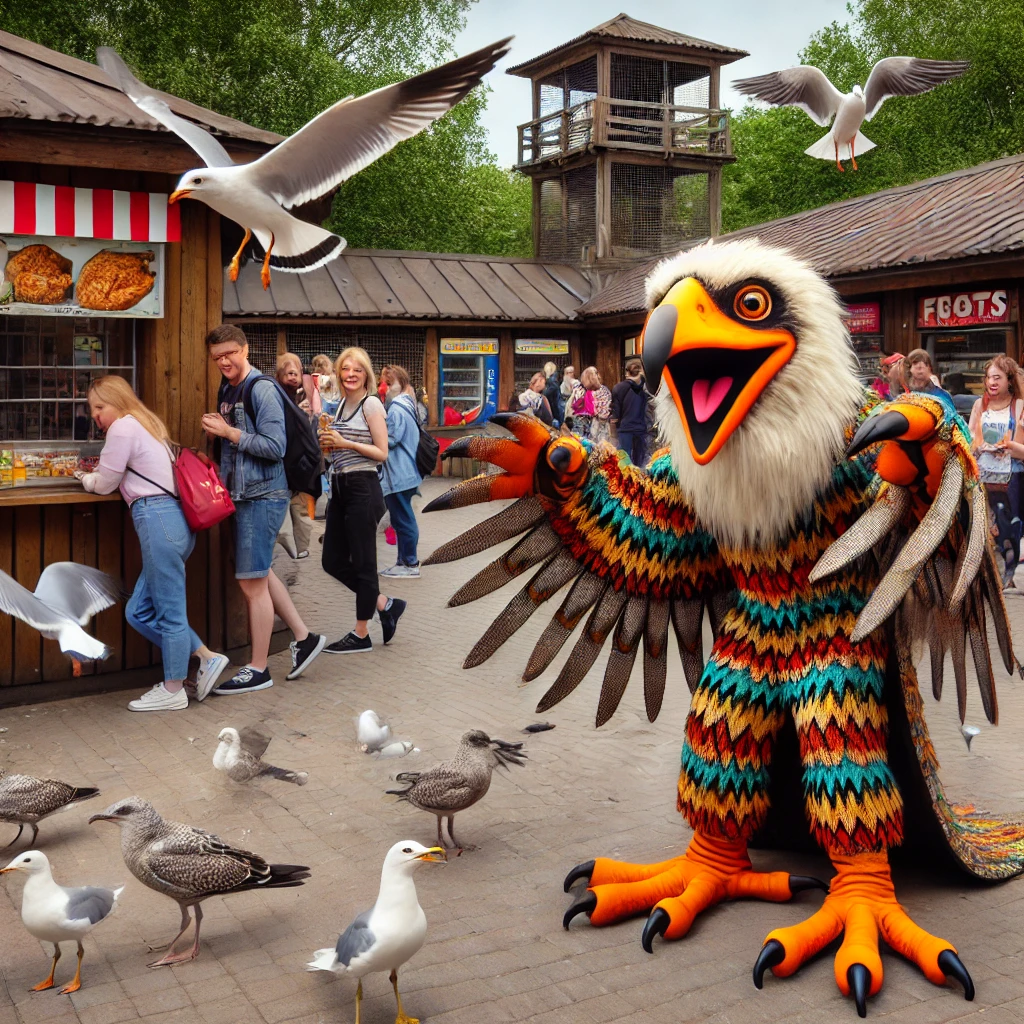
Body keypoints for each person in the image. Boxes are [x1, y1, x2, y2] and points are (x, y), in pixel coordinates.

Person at [76, 376, 229, 712]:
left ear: (116, 401)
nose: (96, 415)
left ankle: (173, 688)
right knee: (138, 610)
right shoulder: (146, 424)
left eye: (99, 407)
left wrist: (84, 477)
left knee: (170, 613)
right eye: (93, 409)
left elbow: (104, 483)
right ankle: (204, 656)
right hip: (174, 523)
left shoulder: (122, 428)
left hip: (157, 520)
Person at [202, 324, 326, 693]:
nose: (224, 361)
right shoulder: (229, 387)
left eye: (230, 354)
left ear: (245, 349)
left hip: (263, 495)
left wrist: (229, 434)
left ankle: (258, 669)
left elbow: (275, 446)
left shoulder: (262, 389)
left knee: (250, 582)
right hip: (243, 494)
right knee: (260, 571)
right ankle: (304, 638)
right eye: (217, 357)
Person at [318, 346, 406, 653]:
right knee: (331, 560)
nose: (351, 374)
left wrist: (345, 442)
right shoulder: (341, 405)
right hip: (339, 487)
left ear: (365, 373)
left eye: (357, 369)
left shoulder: (370, 405)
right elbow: (339, 448)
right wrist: (329, 446)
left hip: (362, 487)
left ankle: (361, 633)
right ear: (339, 373)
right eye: (346, 369)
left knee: (365, 563)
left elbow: (382, 453)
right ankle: (384, 603)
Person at [969, 355, 1024, 589]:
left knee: (1010, 527)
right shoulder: (980, 405)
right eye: (989, 377)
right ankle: (999, 576)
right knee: (989, 528)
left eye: (997, 377)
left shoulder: (1019, 406)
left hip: (1012, 477)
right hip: (983, 476)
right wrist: (978, 447)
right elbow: (969, 438)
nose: (992, 382)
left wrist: (1010, 447)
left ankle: (1008, 574)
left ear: (1009, 380)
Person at [380, 365, 423, 578]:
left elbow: (391, 440)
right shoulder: (409, 404)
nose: (385, 389)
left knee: (404, 520)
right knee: (401, 519)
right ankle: (402, 562)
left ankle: (410, 563)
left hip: (399, 473)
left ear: (401, 384)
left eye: (389, 384)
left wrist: (372, 436)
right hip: (407, 472)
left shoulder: (397, 407)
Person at [275, 352, 315, 559]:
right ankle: (285, 540)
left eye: (296, 373)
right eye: (288, 373)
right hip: (285, 456)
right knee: (283, 503)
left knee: (299, 507)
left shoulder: (301, 394)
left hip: (299, 460)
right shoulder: (276, 394)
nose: (293, 377)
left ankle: (301, 546)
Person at [611, 358, 651, 466]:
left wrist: (613, 435)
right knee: (640, 463)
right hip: (641, 429)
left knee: (624, 463)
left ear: (626, 371)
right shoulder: (646, 390)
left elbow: (615, 416)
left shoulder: (618, 388)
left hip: (625, 430)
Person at [570, 366, 612, 442]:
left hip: (592, 427)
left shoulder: (584, 391)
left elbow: (574, 406)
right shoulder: (605, 391)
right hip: (602, 427)